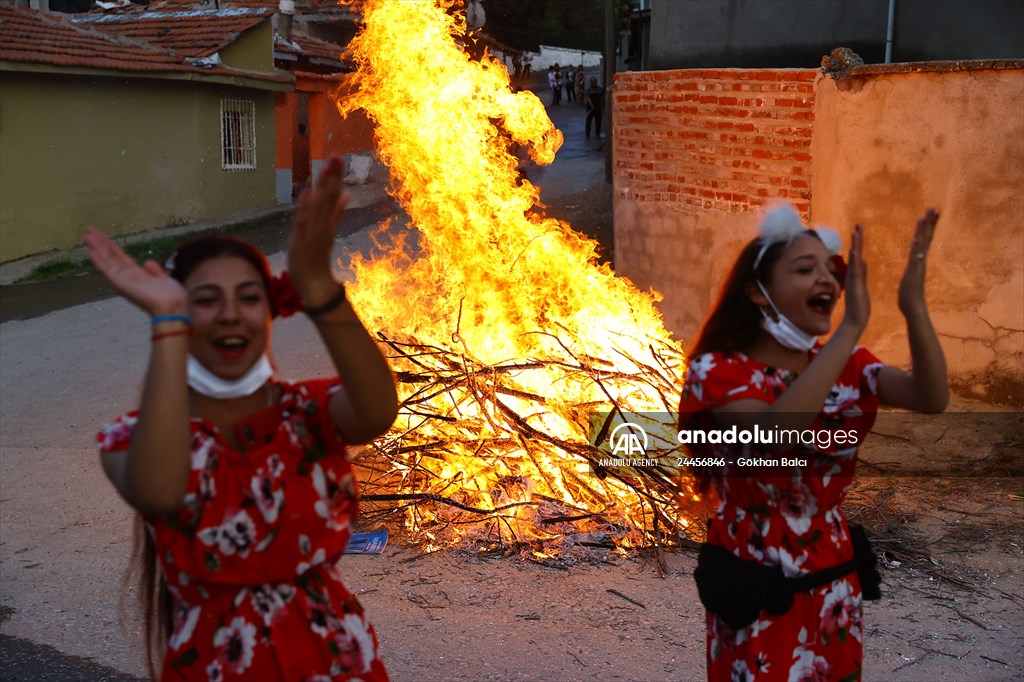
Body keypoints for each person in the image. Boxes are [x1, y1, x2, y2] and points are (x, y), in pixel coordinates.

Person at [87, 156, 398, 681]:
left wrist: (317, 284)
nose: (230, 313)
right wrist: (167, 323)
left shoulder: (305, 414)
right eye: (205, 300)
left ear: (272, 312)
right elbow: (160, 490)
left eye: (248, 298)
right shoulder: (130, 440)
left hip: (340, 663)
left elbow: (377, 410)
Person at [678, 203, 947, 681]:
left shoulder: (851, 366)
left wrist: (914, 306)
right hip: (753, 580)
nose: (827, 279)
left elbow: (932, 397)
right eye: (805, 269)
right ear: (757, 292)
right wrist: (847, 330)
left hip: (834, 574)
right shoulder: (718, 372)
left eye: (831, 270)